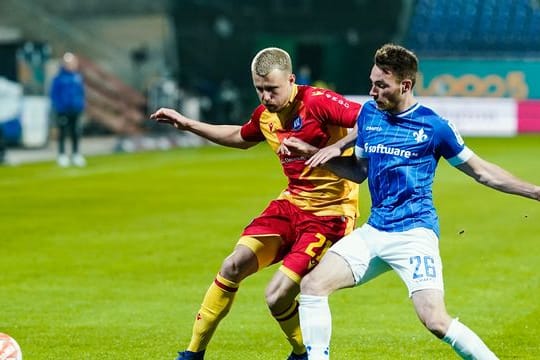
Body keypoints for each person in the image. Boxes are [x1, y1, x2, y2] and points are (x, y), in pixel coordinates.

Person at [281, 43, 540, 359]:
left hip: (414, 234)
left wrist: (536, 192)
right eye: (372, 82)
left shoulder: (434, 127)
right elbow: (359, 172)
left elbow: (483, 172)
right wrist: (315, 154)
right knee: (312, 287)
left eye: (381, 85)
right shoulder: (369, 117)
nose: (372, 91)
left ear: (405, 85)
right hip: (374, 231)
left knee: (435, 320)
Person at [150, 47, 362, 360]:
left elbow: (372, 120)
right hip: (291, 205)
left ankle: (303, 352)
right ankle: (192, 354)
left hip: (330, 214)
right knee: (232, 265)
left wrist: (337, 148)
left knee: (276, 297)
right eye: (259, 89)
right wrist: (189, 124)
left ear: (291, 79)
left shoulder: (318, 102)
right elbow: (239, 135)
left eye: (272, 89)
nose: (265, 96)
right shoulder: (266, 116)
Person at [50, 52, 86, 167]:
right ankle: (62, 155)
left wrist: (81, 105)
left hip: (76, 109)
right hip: (63, 110)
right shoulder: (59, 78)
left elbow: (81, 93)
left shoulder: (77, 77)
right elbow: (54, 94)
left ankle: (76, 154)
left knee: (75, 132)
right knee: (63, 132)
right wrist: (59, 107)